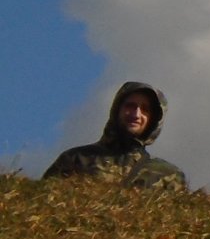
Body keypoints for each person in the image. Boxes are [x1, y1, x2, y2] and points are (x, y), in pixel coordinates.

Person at [43, 81, 188, 190]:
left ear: (153, 120)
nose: (136, 114)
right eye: (130, 106)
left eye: (145, 109)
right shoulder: (77, 159)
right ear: (117, 110)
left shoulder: (169, 174)